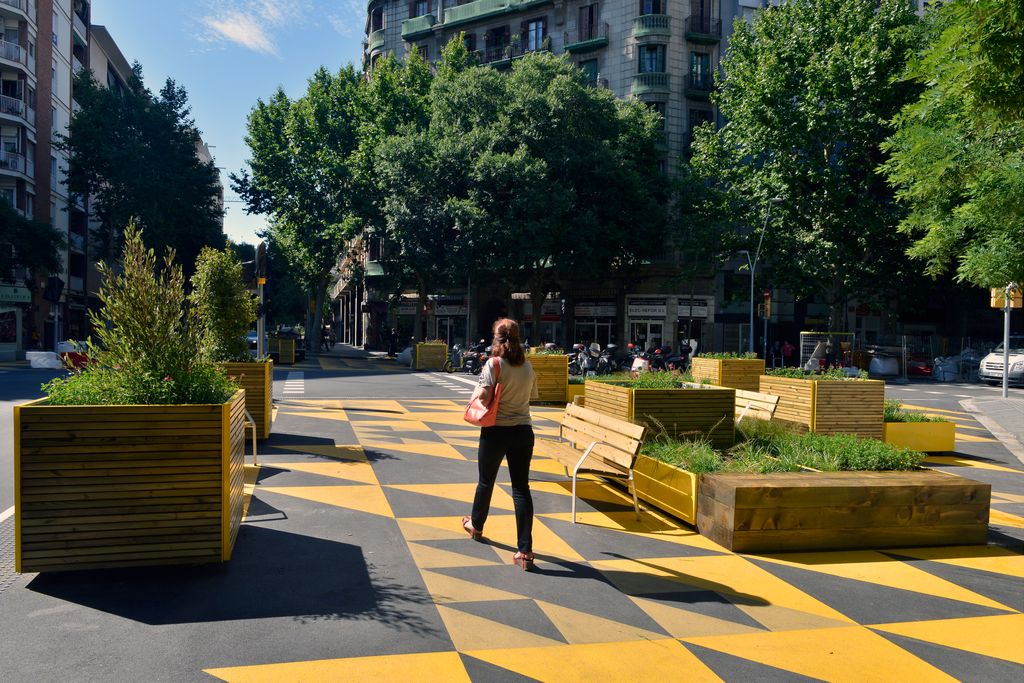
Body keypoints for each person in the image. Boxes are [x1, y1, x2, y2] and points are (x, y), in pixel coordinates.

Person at [462, 318, 540, 571]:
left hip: (496, 431)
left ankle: (476, 525)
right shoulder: (527, 366)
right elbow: (533, 397)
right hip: (523, 432)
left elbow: (484, 398)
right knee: (521, 488)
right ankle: (525, 550)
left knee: (486, 481)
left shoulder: (494, 364)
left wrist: (477, 393)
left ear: (496, 338)